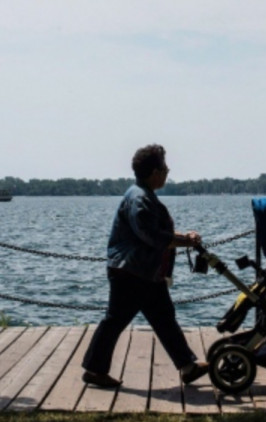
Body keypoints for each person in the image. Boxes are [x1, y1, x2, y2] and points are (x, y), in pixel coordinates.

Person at [82, 144, 208, 388]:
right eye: (164, 168)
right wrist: (187, 241)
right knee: (116, 320)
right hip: (131, 272)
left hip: (144, 272)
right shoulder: (140, 199)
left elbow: (154, 232)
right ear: (154, 172)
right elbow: (153, 237)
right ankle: (94, 370)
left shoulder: (142, 194)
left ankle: (187, 366)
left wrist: (183, 237)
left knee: (164, 318)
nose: (167, 172)